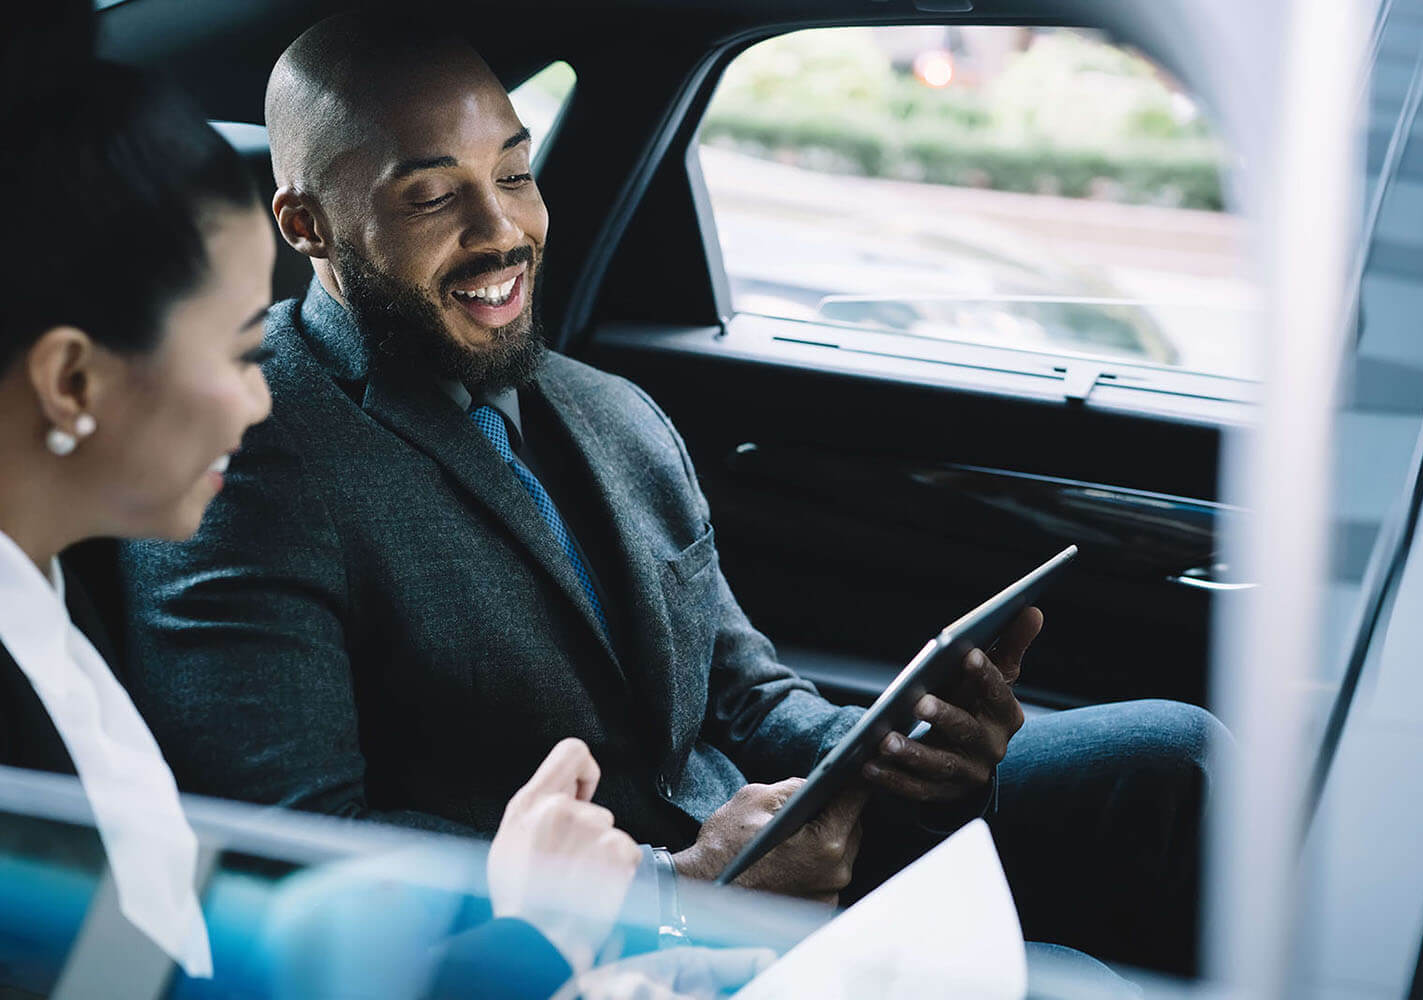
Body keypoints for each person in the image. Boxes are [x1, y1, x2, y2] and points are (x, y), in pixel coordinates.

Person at [121, 12, 1223, 974]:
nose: (502, 229)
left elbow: (744, 700)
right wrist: (675, 887)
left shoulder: (612, 413)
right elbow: (294, 847)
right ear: (305, 223)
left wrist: (901, 753)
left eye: (514, 170)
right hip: (574, 952)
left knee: (1177, 757)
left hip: (768, 856)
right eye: (432, 197)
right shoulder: (246, 455)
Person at [0, 26, 657, 997]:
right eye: (233, 350)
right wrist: (525, 934)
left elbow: (160, 968)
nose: (262, 396)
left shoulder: (45, 609)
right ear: (71, 379)